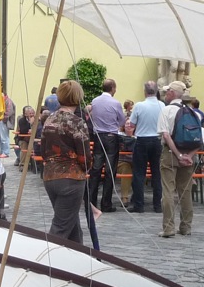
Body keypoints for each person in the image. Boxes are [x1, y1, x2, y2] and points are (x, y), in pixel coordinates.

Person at [41, 80, 91, 243]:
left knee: (71, 224)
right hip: (71, 178)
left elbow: (43, 150)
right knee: (61, 227)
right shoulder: (76, 122)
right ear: (78, 97)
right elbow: (84, 156)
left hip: (50, 176)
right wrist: (87, 168)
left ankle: (78, 254)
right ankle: (46, 256)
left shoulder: (49, 119)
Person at [157, 80, 196, 238]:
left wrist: (178, 155)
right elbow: (199, 139)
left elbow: (166, 135)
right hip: (188, 154)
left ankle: (168, 228)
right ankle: (186, 227)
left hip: (170, 154)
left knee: (168, 190)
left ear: (172, 93)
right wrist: (188, 156)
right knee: (185, 192)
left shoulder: (166, 110)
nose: (166, 94)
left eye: (168, 91)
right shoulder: (191, 111)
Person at [88, 78, 125, 213]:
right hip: (111, 137)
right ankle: (106, 203)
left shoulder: (95, 101)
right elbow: (122, 121)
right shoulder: (115, 103)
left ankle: (91, 202)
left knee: (96, 169)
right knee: (110, 170)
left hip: (98, 137)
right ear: (113, 88)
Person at [128, 81, 163, 213]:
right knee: (157, 173)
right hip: (157, 140)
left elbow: (131, 124)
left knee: (139, 174)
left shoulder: (139, 106)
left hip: (142, 140)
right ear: (156, 91)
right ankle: (157, 205)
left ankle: (139, 205)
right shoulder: (162, 105)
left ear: (145, 92)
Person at [0, 92, 15, 159]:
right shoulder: (1, 102)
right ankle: (1, 151)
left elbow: (9, 112)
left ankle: (6, 152)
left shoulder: (8, 101)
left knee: (4, 137)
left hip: (4, 121)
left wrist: (3, 119)